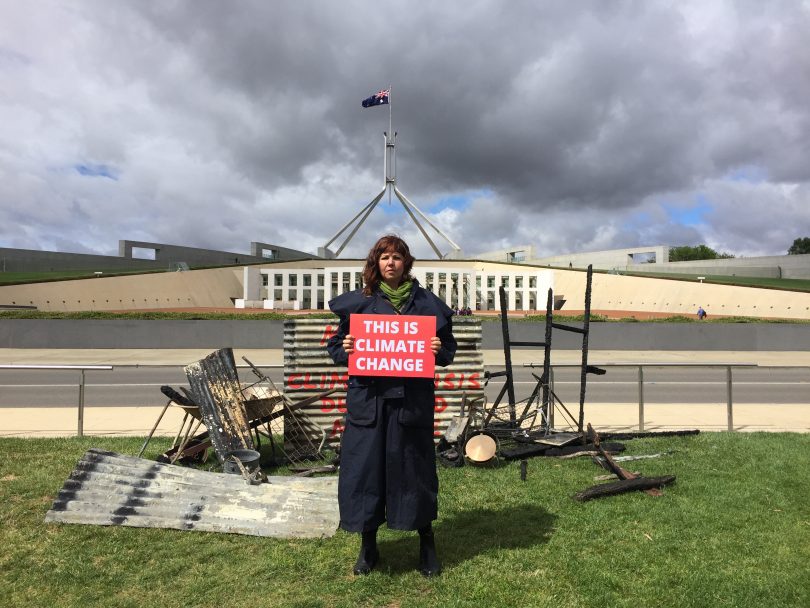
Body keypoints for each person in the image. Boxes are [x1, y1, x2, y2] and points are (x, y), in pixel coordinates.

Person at [326, 234, 457, 577]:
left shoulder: (427, 304)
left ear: (406, 263)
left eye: (397, 257)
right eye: (384, 257)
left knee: (414, 471)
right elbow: (336, 346)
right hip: (368, 402)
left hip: (410, 404)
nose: (391, 263)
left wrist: (436, 348)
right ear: (375, 263)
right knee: (365, 472)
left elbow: (448, 351)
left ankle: (426, 543)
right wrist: (348, 347)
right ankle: (368, 547)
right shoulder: (360, 303)